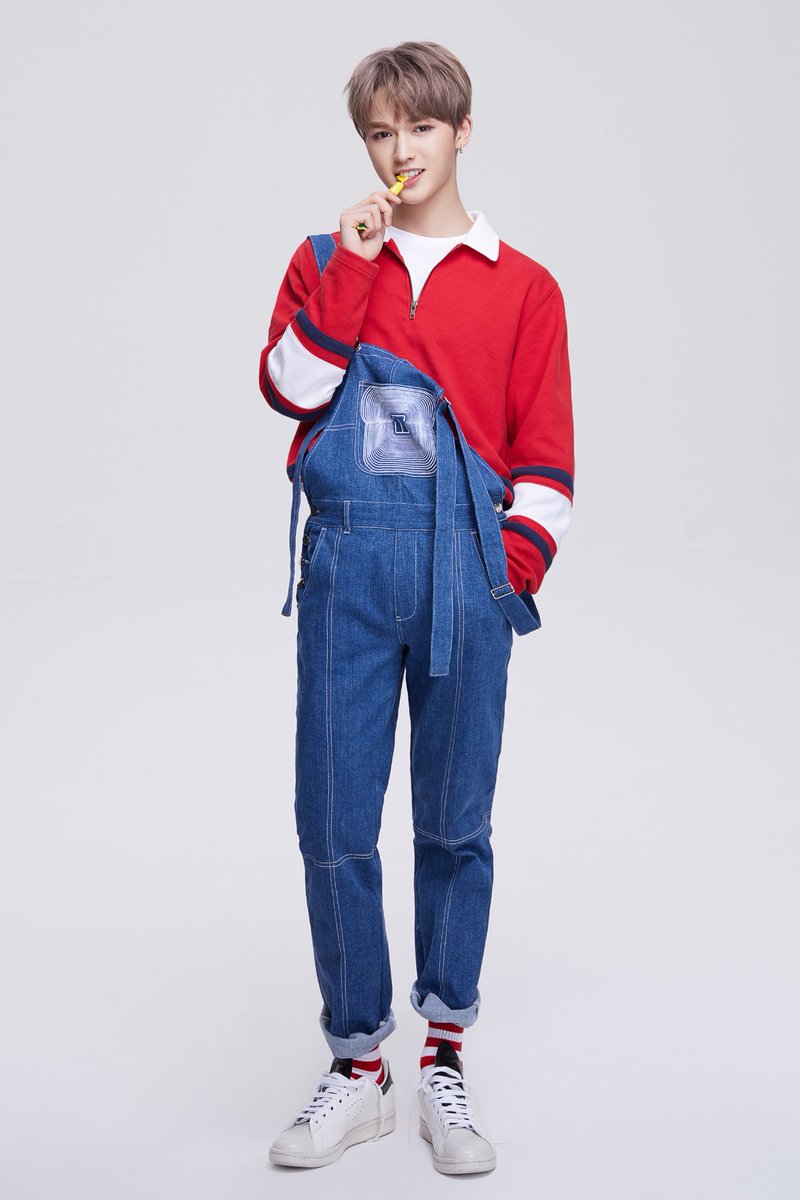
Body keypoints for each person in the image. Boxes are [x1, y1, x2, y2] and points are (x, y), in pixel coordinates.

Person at [258, 40, 575, 1174]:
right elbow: (288, 390)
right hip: (346, 568)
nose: (401, 150)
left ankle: (443, 1051)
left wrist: (506, 575)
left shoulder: (523, 286)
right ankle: (360, 1068)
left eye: (421, 127)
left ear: (461, 132)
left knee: (453, 824)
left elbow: (545, 459)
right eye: (381, 132)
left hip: (464, 579)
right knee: (333, 822)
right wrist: (349, 273)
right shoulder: (323, 260)